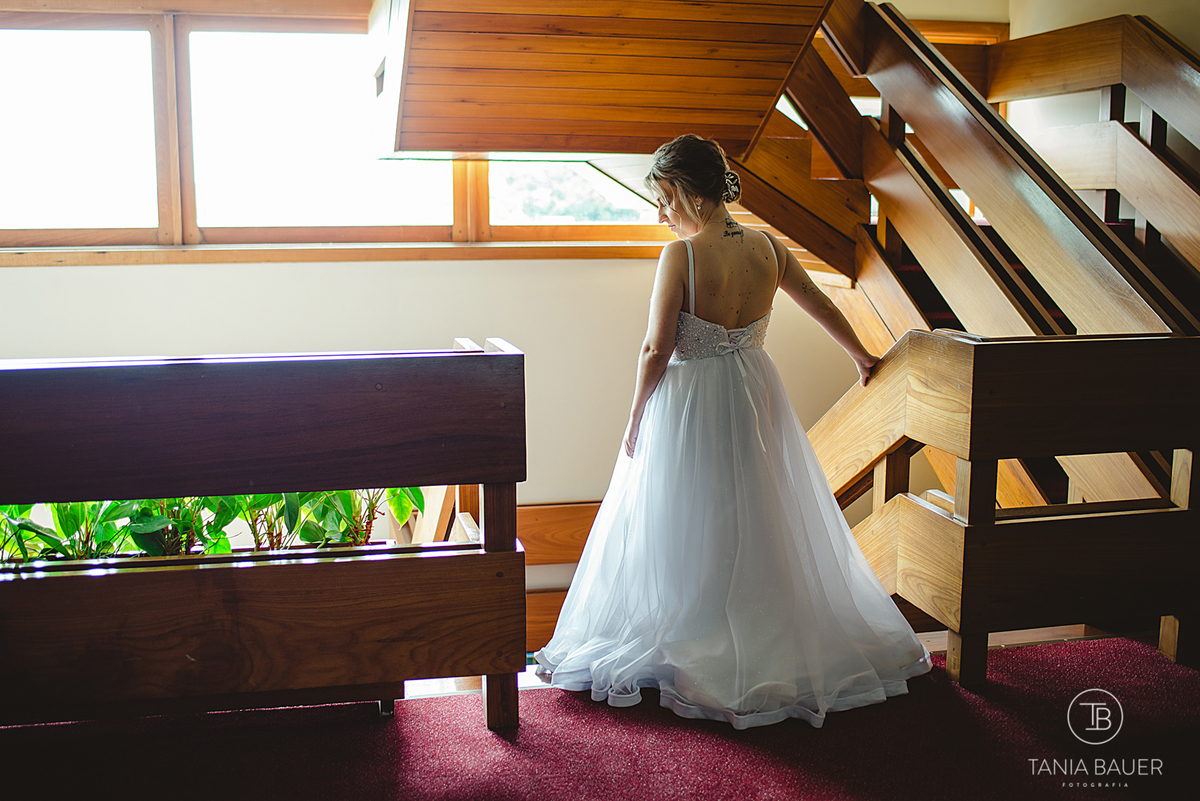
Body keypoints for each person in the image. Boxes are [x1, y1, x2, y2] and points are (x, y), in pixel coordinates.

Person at [534, 134, 931, 729]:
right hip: (753, 390)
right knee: (754, 508)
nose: (661, 215)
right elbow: (818, 302)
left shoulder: (684, 257)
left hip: (692, 400)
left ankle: (702, 632)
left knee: (691, 514)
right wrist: (860, 356)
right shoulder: (769, 248)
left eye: (664, 200)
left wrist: (636, 413)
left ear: (689, 194)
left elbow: (655, 348)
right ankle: (756, 626)